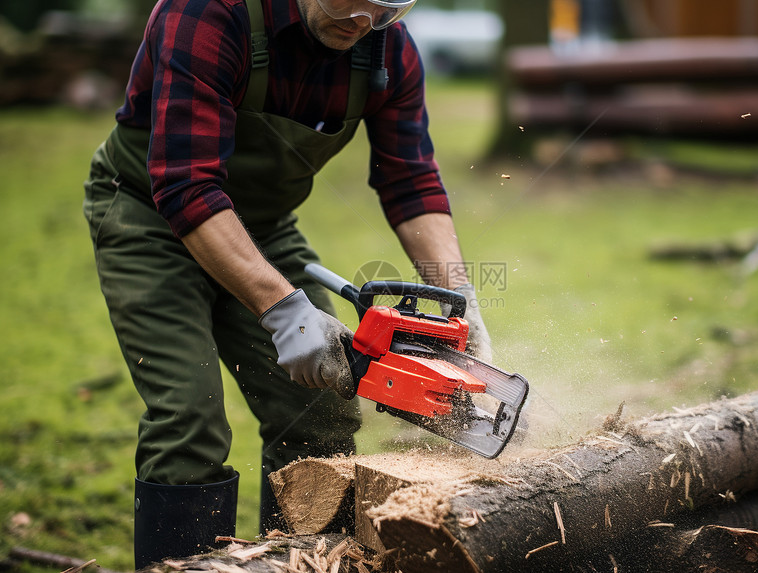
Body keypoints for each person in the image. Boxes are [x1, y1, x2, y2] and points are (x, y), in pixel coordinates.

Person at [81, 0, 492, 567]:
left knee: (321, 412)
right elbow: (186, 188)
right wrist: (282, 310)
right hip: (148, 215)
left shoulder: (387, 49)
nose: (364, 20)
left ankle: (299, 564)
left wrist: (461, 298)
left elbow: (411, 179)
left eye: (387, 8)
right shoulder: (207, 14)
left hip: (263, 226)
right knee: (189, 420)